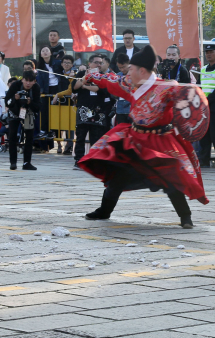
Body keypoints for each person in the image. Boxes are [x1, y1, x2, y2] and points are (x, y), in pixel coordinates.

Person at [80, 45, 206, 228]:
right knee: (118, 174)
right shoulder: (131, 84)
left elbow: (187, 98)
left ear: (142, 70)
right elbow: (111, 81)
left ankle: (185, 217)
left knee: (171, 177)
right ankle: (104, 211)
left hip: (160, 140)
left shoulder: (167, 87)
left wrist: (184, 91)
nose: (128, 72)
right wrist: (93, 76)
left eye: (131, 69)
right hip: (134, 138)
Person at [72, 54, 115, 167]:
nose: (99, 65)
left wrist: (85, 86)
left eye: (101, 63)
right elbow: (74, 87)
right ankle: (79, 159)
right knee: (81, 136)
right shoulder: (82, 73)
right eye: (96, 62)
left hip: (98, 110)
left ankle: (94, 160)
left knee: (96, 138)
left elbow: (101, 89)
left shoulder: (102, 76)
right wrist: (84, 78)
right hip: (84, 109)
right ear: (90, 63)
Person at [5, 70, 41, 171]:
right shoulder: (15, 86)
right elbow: (7, 102)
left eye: (31, 81)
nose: (28, 83)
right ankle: (13, 162)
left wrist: (30, 102)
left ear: (34, 81)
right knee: (12, 136)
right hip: (14, 112)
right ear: (22, 80)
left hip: (28, 112)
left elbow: (38, 106)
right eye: (26, 80)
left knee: (29, 137)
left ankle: (27, 162)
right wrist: (15, 99)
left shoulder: (36, 88)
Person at [113, 54, 132, 126]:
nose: (122, 69)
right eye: (119, 68)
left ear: (129, 63)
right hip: (120, 109)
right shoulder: (117, 76)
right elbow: (113, 93)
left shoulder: (135, 75)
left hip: (131, 109)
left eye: (124, 67)